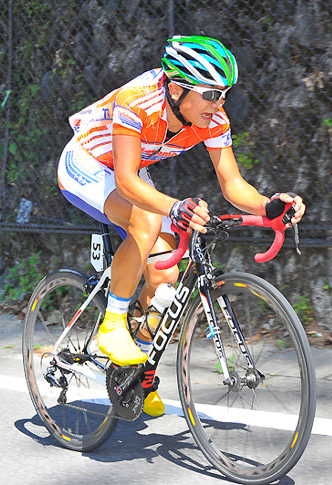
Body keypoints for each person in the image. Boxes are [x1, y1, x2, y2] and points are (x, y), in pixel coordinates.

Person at [56, 35, 305, 416]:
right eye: (210, 94)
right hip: (87, 164)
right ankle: (111, 326)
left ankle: (133, 368)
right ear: (176, 88)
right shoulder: (137, 100)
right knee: (147, 219)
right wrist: (176, 208)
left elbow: (233, 184)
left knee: (165, 280)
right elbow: (125, 181)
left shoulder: (212, 118)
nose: (219, 103)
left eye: (224, 94)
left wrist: (271, 206)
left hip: (132, 173)